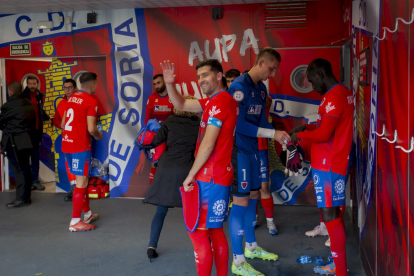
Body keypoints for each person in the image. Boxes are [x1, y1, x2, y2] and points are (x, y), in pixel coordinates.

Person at [161, 59, 238, 276]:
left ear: (219, 75)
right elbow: (181, 105)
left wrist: (190, 175)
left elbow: (208, 143)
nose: (201, 80)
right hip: (218, 176)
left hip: (210, 177)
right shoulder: (214, 101)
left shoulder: (221, 101)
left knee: (198, 232)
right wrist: (169, 84)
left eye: (205, 75)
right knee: (214, 232)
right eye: (198, 77)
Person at [227, 47, 290, 276]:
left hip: (254, 151)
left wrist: (279, 136)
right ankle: (238, 261)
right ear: (261, 63)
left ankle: (251, 247)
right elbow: (239, 124)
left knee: (254, 196)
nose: (272, 73)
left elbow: (263, 120)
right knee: (241, 202)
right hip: (240, 151)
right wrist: (272, 134)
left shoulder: (261, 90)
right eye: (271, 68)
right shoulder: (238, 87)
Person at [291, 58, 353, 276]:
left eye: (311, 81)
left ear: (320, 74)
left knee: (330, 217)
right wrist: (307, 126)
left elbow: (325, 134)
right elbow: (326, 125)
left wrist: (298, 135)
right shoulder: (338, 93)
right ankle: (338, 264)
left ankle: (340, 270)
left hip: (330, 165)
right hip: (329, 163)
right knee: (333, 214)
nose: (312, 86)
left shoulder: (335, 96)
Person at [144, 95, 200, 261]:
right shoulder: (198, 124)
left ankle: (151, 246)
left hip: (166, 168)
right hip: (187, 169)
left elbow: (155, 141)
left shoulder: (170, 121)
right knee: (193, 211)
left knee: (161, 210)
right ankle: (203, 245)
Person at [61, 72, 102, 232]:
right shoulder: (91, 101)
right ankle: (75, 221)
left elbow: (64, 123)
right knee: (82, 182)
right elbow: (92, 129)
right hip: (80, 147)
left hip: (67, 145)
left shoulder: (71, 98)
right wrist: (98, 136)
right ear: (93, 85)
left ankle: (88, 214)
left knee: (81, 181)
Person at [1, 82, 36, 208]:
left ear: (10, 92)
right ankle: (26, 197)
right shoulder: (28, 103)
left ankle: (21, 199)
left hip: (14, 142)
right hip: (27, 140)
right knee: (26, 167)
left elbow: (0, 123)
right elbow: (33, 121)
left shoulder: (8, 105)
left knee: (18, 170)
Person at [144, 74, 174, 185]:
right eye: (155, 84)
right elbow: (146, 121)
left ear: (165, 82)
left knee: (169, 163)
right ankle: (153, 192)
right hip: (156, 137)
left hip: (171, 136)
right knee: (154, 163)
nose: (157, 86)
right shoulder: (152, 98)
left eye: (159, 83)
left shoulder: (173, 96)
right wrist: (147, 141)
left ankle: (167, 191)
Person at [256, 95, 278, 235]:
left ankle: (270, 221)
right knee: (250, 189)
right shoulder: (237, 100)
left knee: (264, 187)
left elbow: (268, 101)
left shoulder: (263, 97)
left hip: (261, 147)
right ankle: (255, 218)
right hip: (244, 148)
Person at [53, 79, 78, 202]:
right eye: (65, 88)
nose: (67, 90)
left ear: (75, 88)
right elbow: (55, 119)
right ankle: (73, 189)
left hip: (79, 138)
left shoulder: (81, 100)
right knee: (69, 164)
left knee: (79, 163)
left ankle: (80, 189)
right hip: (66, 138)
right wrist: (61, 125)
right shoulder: (62, 103)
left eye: (69, 87)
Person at [23, 75, 50, 191]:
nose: (32, 86)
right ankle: (27, 182)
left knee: (35, 157)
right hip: (25, 133)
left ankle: (35, 181)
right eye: (30, 84)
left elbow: (39, 110)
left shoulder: (40, 95)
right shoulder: (22, 96)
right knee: (24, 159)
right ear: (26, 84)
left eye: (34, 83)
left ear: (37, 84)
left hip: (37, 132)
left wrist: (48, 118)